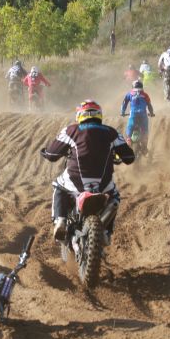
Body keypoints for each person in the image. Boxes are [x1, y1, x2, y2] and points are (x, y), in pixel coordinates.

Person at [40, 100, 134, 245]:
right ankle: (106, 232)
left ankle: (61, 221)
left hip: (75, 181)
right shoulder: (111, 132)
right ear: (99, 115)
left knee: (58, 186)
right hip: (103, 185)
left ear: (80, 115)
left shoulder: (71, 130)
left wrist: (45, 152)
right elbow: (129, 157)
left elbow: (52, 155)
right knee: (114, 196)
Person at [120, 80, 155, 148]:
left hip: (133, 114)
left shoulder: (129, 94)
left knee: (130, 125)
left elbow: (124, 103)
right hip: (143, 114)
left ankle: (128, 139)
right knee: (145, 129)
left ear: (133, 86)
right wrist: (151, 113)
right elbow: (149, 105)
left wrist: (122, 112)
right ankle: (144, 145)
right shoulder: (145, 95)